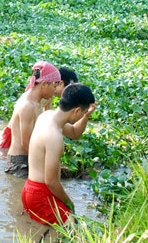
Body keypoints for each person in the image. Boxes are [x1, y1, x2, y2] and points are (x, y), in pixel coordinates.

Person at [21, 83, 96, 225]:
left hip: (29, 190)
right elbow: (51, 181)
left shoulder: (47, 116)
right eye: (82, 112)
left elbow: (74, 133)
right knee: (73, 229)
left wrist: (86, 115)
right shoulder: (54, 137)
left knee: (41, 232)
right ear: (76, 110)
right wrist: (69, 202)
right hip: (40, 194)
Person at [0, 66, 81, 151]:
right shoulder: (37, 97)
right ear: (60, 83)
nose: (71, 93)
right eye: (70, 88)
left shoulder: (47, 95)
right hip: (14, 135)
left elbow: (50, 119)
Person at [2, 61, 61, 178]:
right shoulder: (28, 106)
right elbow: (26, 142)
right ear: (44, 84)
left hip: (28, 156)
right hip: (19, 162)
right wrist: (47, 163)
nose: (55, 91)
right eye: (54, 87)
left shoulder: (38, 100)